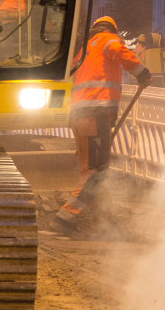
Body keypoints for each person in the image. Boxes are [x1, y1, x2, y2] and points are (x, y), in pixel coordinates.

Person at [50, 16, 152, 236]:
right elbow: (121, 52)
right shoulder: (108, 40)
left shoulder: (84, 50)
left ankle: (103, 223)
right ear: (111, 30)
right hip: (94, 115)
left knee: (94, 171)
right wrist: (142, 73)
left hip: (79, 115)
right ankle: (64, 219)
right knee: (96, 171)